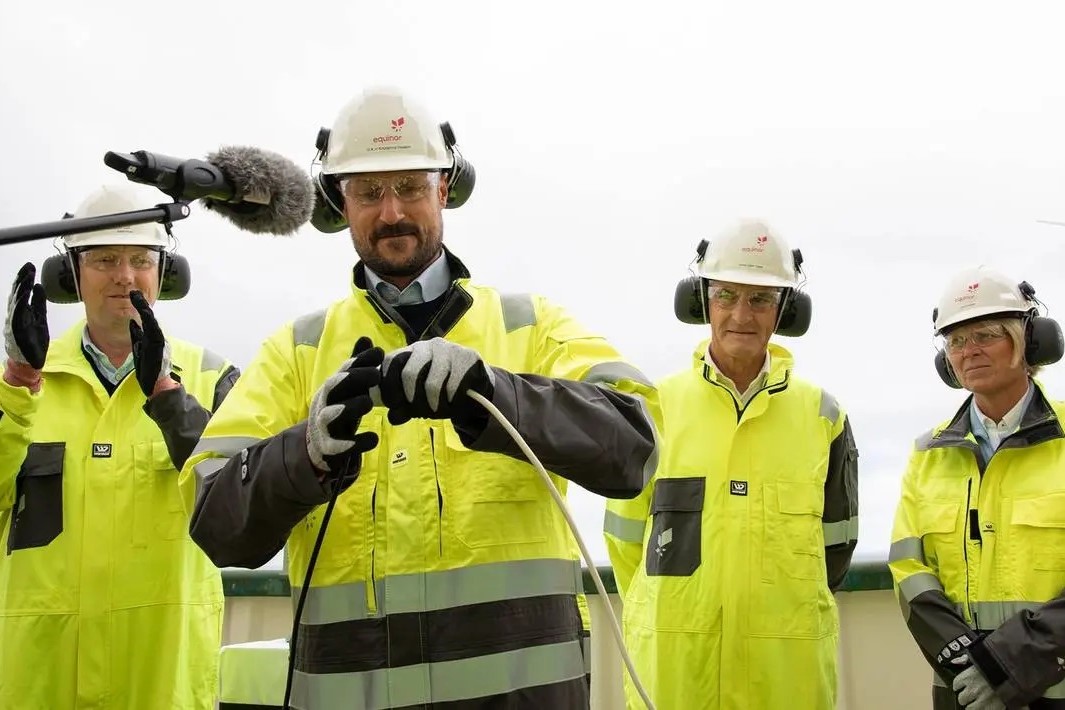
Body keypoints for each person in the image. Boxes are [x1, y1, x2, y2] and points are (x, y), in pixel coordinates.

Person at [182, 86, 661, 709]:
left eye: (410, 186)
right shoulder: (294, 352)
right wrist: (304, 454)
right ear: (338, 201)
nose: (391, 214)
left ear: (445, 188)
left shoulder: (530, 326)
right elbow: (216, 526)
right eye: (369, 192)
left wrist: (497, 394)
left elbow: (634, 446)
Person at [0, 183, 241, 708]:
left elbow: (239, 511)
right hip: (40, 682)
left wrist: (167, 395)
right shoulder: (16, 388)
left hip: (162, 682)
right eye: (105, 259)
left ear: (165, 273)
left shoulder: (214, 379)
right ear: (70, 275)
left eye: (140, 259)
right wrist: (18, 384)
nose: (124, 276)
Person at [604, 220, 860, 710]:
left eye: (761, 299)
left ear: (784, 309)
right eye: (727, 295)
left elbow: (837, 549)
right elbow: (624, 543)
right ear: (703, 302)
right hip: (675, 674)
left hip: (787, 680)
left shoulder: (823, 416)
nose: (742, 314)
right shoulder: (652, 407)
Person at [889, 265, 1065, 710]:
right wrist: (971, 665)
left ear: (1029, 340)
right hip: (963, 691)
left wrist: (1008, 667)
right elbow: (910, 569)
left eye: (985, 335)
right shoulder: (927, 453)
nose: (969, 351)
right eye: (956, 341)